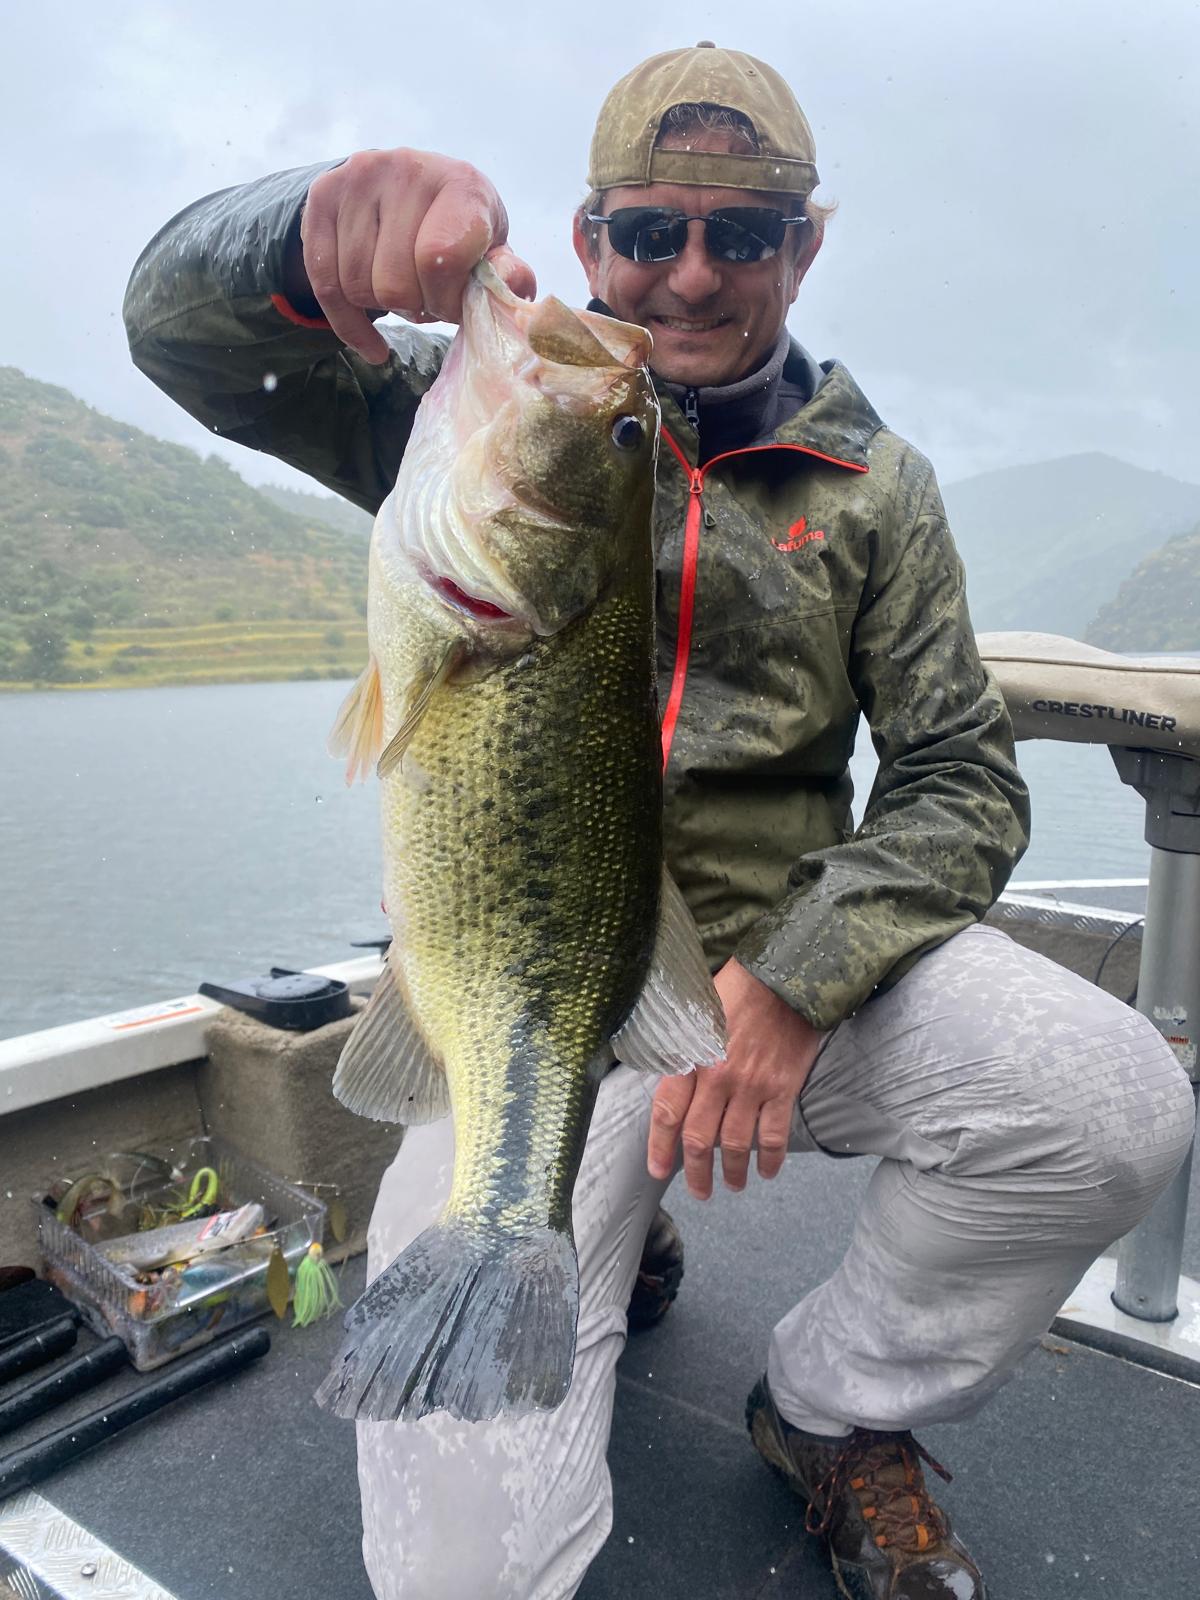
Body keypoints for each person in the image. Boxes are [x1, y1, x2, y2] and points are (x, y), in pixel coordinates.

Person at [123, 42, 1195, 1600]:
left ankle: (834, 1404)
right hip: (537, 1000)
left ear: (803, 248)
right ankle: (600, 1225)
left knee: (1120, 1109)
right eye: (645, 232)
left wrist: (796, 979)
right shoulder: (464, 421)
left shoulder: (876, 489)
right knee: (462, 1573)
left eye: (743, 236)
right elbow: (178, 331)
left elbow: (963, 774)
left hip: (797, 978)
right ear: (590, 238)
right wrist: (304, 229)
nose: (689, 277)